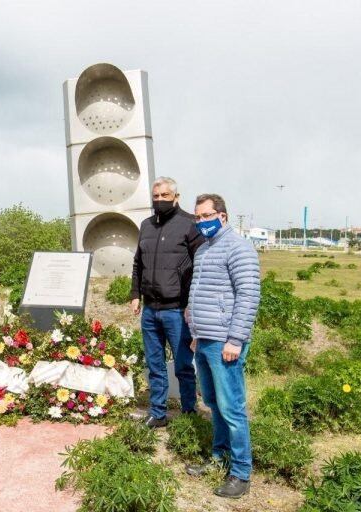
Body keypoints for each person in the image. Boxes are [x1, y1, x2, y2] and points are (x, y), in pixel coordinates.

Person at [185, 193, 260, 499]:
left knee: (232, 408)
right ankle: (219, 456)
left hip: (224, 343)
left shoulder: (239, 248)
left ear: (223, 216)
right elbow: (198, 294)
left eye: (206, 216)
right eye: (198, 217)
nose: (201, 222)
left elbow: (248, 295)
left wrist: (235, 339)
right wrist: (195, 332)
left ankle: (241, 472)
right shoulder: (204, 250)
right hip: (204, 340)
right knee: (213, 403)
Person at [130, 176, 203, 428]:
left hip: (177, 309)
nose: (159, 200)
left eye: (165, 196)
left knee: (183, 364)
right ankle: (158, 413)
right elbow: (138, 262)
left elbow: (200, 267)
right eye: (156, 196)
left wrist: (192, 303)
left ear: (176, 197)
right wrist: (134, 294)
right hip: (150, 310)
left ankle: (189, 413)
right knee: (155, 365)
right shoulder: (146, 225)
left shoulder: (190, 225)